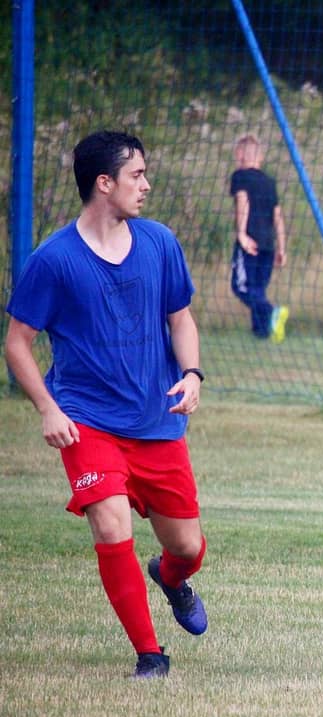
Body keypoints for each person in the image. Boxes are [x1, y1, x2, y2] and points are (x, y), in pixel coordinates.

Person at [4, 131, 210, 678]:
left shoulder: (160, 242)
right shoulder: (54, 259)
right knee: (111, 525)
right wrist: (48, 408)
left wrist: (192, 374)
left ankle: (171, 578)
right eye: (136, 174)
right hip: (87, 422)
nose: (146, 185)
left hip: (157, 421)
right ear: (104, 183)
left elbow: (181, 319)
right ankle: (150, 655)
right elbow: (17, 343)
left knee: (188, 547)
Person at [229, 133, 289, 342]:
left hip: (250, 243)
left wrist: (242, 234)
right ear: (260, 157)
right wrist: (281, 247)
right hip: (268, 245)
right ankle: (262, 334)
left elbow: (243, 202)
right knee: (258, 289)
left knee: (241, 287)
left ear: (240, 154)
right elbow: (277, 216)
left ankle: (272, 312)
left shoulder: (240, 176)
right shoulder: (269, 182)